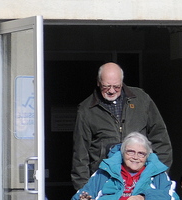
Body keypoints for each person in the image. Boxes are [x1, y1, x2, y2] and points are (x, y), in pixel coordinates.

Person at [71, 62, 172, 191]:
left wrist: (158, 175)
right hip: (105, 181)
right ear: (98, 82)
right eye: (106, 87)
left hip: (142, 179)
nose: (112, 91)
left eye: (116, 87)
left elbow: (161, 138)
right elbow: (80, 155)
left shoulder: (141, 99)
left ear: (122, 82)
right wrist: (84, 192)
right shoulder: (86, 110)